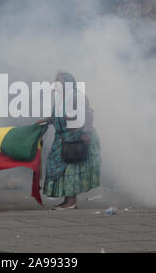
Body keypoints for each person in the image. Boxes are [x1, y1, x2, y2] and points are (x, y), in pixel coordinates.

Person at [36, 72, 101, 209]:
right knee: (59, 168)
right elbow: (57, 116)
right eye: (55, 80)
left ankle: (71, 201)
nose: (56, 83)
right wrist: (46, 120)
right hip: (62, 138)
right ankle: (68, 200)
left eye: (59, 80)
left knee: (71, 170)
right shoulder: (60, 98)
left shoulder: (77, 97)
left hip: (76, 138)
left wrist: (86, 134)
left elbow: (88, 114)